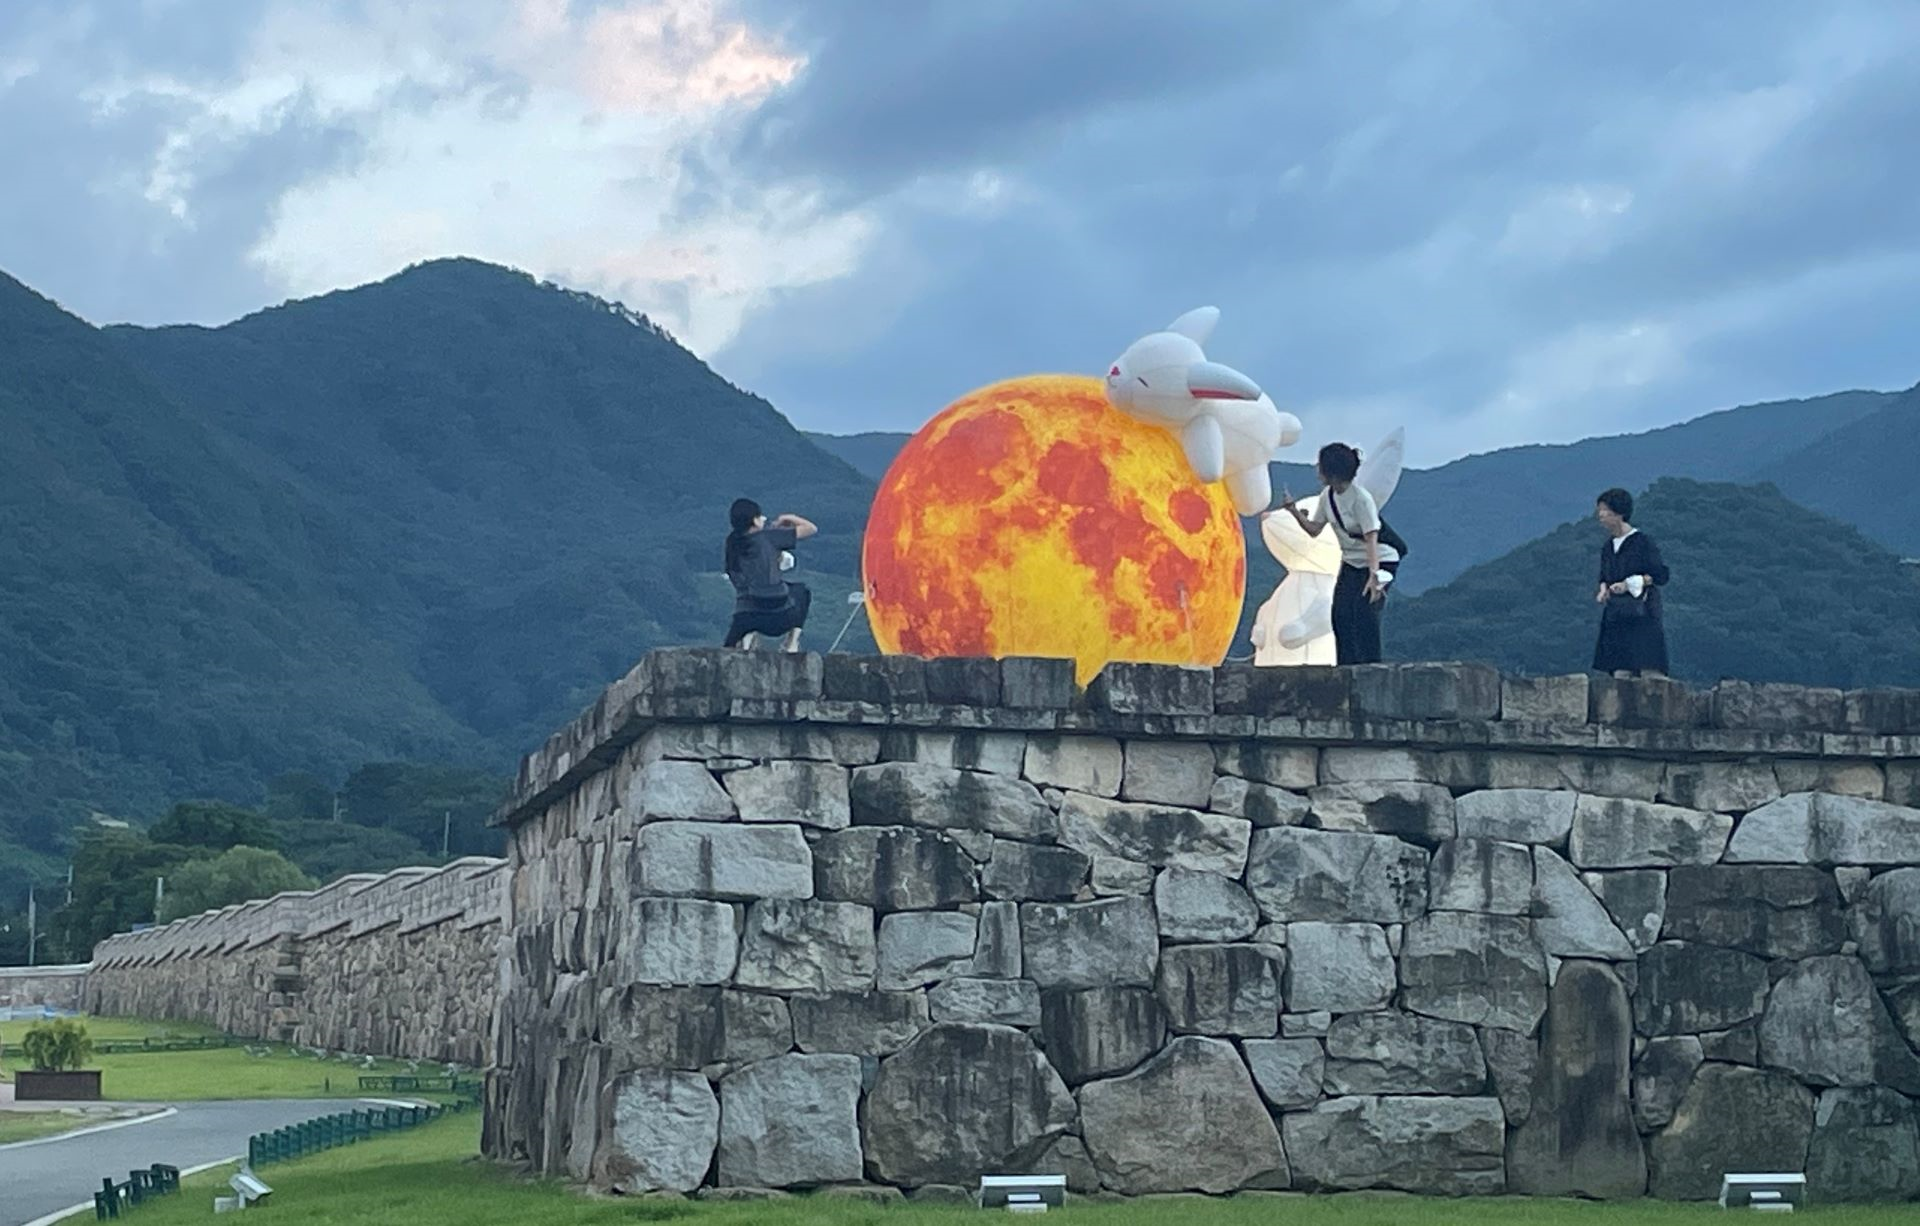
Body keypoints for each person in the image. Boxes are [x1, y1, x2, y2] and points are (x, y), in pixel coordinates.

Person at [1277, 442, 1400, 664]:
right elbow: (1314, 529)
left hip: (1380, 560)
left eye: (1321, 466)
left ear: (1332, 473)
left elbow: (1371, 538)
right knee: (1341, 614)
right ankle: (1346, 667)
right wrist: (1293, 510)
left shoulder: (1361, 499)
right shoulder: (1328, 496)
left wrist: (1374, 576)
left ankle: (1372, 667)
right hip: (1352, 561)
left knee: (1365, 613)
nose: (1317, 470)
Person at [1591, 487, 1670, 676]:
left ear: (1619, 513)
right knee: (1620, 671)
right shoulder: (1608, 547)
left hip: (1642, 612)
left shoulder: (1642, 542)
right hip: (1616, 613)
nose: (1600, 515)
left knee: (1648, 669)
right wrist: (1603, 590)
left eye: (1605, 510)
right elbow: (1604, 576)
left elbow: (1660, 575)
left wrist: (1629, 584)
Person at [722, 498, 816, 651]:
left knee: (727, 650)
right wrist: (788, 518)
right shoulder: (770, 537)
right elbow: (810, 528)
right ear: (754, 520)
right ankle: (792, 643)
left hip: (745, 615)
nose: (763, 519)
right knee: (802, 591)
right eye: (760, 517)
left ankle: (745, 642)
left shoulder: (732, 543)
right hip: (780, 615)